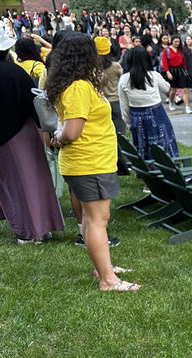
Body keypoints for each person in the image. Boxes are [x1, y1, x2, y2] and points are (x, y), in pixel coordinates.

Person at [46, 32, 139, 291]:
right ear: (86, 56)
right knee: (98, 220)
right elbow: (72, 131)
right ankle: (108, 280)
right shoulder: (78, 88)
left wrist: (60, 133)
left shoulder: (79, 84)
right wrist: (59, 136)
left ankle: (103, 268)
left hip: (91, 161)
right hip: (89, 162)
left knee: (92, 219)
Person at [0, 26, 64, 243]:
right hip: (23, 131)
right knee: (34, 179)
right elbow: (33, 101)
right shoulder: (16, 71)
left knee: (12, 184)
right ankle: (42, 226)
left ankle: (28, 230)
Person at [117, 46, 178, 160]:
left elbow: (124, 106)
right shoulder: (153, 76)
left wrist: (129, 123)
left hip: (137, 116)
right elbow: (166, 88)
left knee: (142, 144)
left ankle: (148, 169)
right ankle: (170, 165)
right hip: (157, 114)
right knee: (163, 142)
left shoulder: (124, 79)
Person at [94, 37, 127, 176]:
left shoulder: (94, 67)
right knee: (120, 135)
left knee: (106, 136)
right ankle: (122, 164)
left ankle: (109, 162)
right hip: (116, 102)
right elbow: (123, 80)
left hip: (102, 103)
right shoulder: (115, 66)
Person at [160, 35, 192, 114]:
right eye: (175, 41)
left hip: (180, 70)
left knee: (184, 89)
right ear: (172, 41)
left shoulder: (181, 50)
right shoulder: (166, 50)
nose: (177, 43)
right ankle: (171, 102)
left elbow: (183, 62)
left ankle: (187, 107)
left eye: (178, 41)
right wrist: (167, 72)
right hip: (172, 70)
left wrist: (185, 70)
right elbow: (164, 62)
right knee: (173, 90)